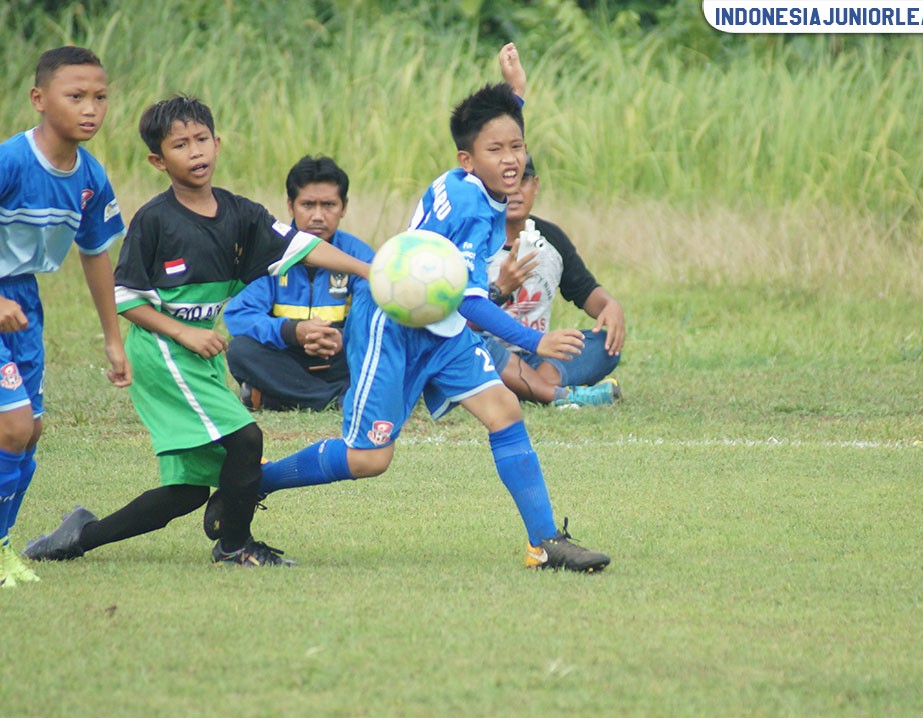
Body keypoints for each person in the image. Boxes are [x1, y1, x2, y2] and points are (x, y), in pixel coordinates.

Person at [212, 44, 610, 572]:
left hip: (439, 330)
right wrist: (535, 342)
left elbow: (494, 138)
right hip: (393, 327)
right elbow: (469, 300)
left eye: (518, 146)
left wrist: (515, 92)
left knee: (505, 411)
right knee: (370, 459)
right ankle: (250, 483)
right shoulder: (470, 209)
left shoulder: (472, 175)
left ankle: (545, 543)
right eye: (498, 150)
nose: (512, 158)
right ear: (469, 159)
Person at [23, 96, 372, 569]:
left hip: (195, 355)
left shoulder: (239, 213)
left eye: (202, 139)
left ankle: (78, 537)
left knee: (186, 492)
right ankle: (234, 545)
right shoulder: (154, 220)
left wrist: (371, 270)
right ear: (158, 160)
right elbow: (125, 297)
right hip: (162, 351)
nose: (195, 151)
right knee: (246, 440)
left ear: (217, 143)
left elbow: (301, 247)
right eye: (180, 144)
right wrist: (185, 334)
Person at [0, 47, 131, 590]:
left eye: (100, 97)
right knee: (14, 426)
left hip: (23, 305)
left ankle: (3, 546)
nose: (90, 109)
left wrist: (112, 337)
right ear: (39, 99)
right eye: (75, 96)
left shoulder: (91, 178)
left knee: (31, 434)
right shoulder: (11, 161)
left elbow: (95, 253)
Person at [223, 156, 374, 411]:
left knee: (388, 346)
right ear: (290, 206)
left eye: (328, 205)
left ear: (344, 207)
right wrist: (294, 332)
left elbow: (373, 316)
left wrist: (342, 338)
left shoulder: (358, 255)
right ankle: (336, 399)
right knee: (240, 351)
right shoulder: (269, 254)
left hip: (339, 356)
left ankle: (276, 398)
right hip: (286, 357)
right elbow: (238, 316)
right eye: (307, 205)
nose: (317, 216)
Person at [483, 153, 625, 407]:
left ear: (535, 186)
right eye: (504, 181)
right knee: (470, 343)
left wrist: (611, 306)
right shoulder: (474, 238)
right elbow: (456, 320)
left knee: (604, 345)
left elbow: (588, 293)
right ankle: (555, 395)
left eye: (522, 180)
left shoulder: (551, 239)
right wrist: (499, 290)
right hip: (486, 353)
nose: (514, 190)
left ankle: (528, 386)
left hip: (538, 355)